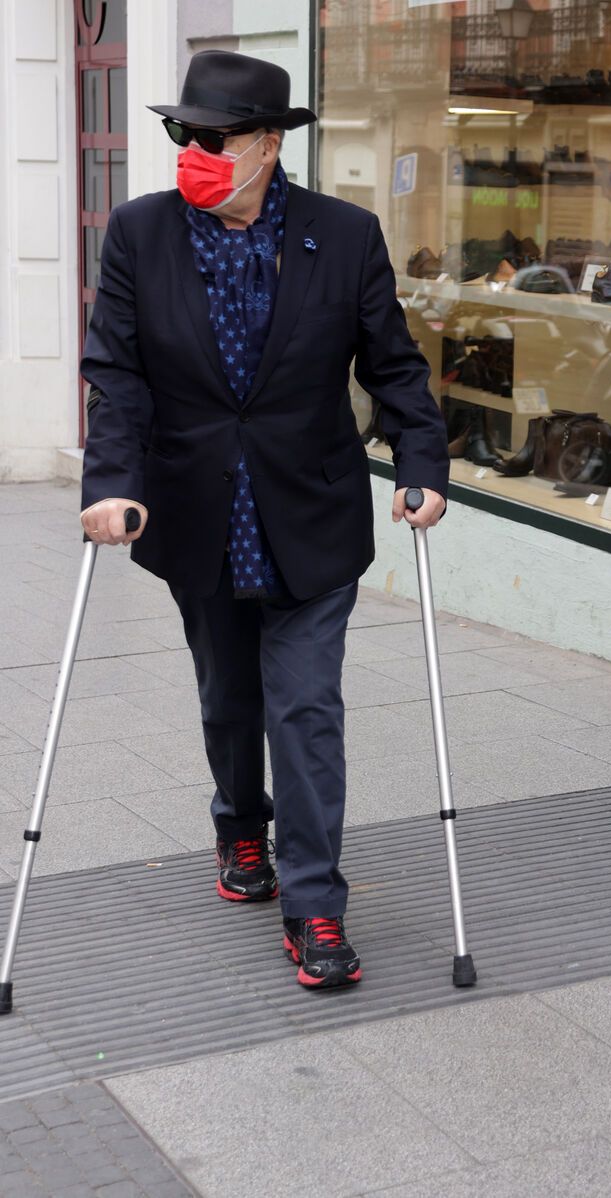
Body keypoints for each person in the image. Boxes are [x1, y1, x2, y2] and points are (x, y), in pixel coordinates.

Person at [79, 51, 449, 985]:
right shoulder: (139, 235)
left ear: (268, 145)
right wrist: (111, 482)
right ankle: (242, 829)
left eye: (214, 137)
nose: (193, 152)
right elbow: (117, 373)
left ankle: (316, 904)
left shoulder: (345, 234)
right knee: (229, 700)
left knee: (305, 707)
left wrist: (420, 463)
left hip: (311, 513)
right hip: (197, 511)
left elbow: (393, 365)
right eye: (182, 133)